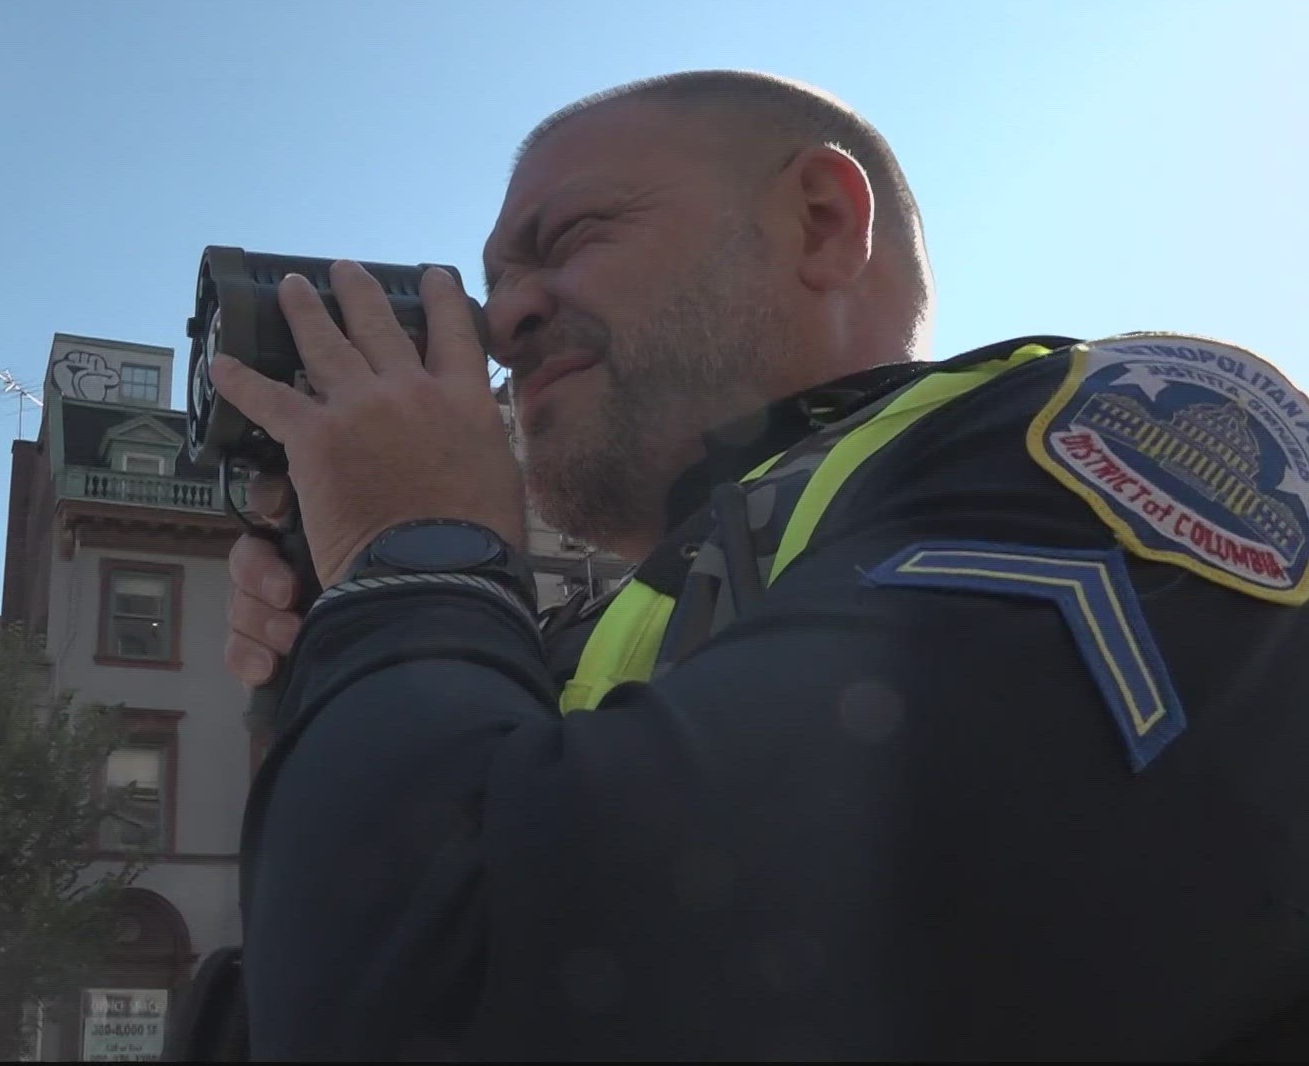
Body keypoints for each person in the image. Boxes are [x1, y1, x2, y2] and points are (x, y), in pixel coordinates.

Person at [201, 70, 1309, 1060]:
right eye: (496, 282)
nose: (506, 319)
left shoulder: (1132, 427)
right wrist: (335, 639)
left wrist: (417, 556)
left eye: (572, 236)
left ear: (823, 223)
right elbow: (303, 996)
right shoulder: (597, 638)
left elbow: (456, 987)